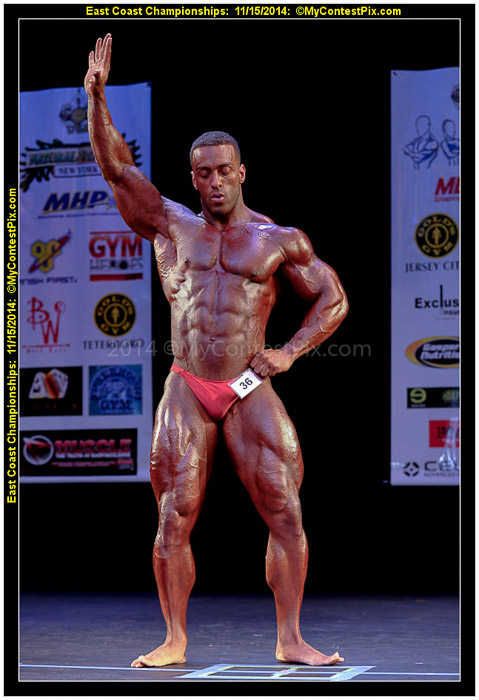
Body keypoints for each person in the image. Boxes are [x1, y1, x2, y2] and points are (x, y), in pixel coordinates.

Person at [85, 34, 349, 669]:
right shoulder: (171, 225)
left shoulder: (277, 239)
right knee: (174, 515)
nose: (213, 181)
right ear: (193, 177)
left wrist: (289, 353)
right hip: (187, 383)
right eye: (202, 172)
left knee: (285, 511)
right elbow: (117, 169)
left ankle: (290, 638)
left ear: (241, 172)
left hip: (248, 385)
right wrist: (96, 98)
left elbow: (333, 299)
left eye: (223, 170)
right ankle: (174, 638)